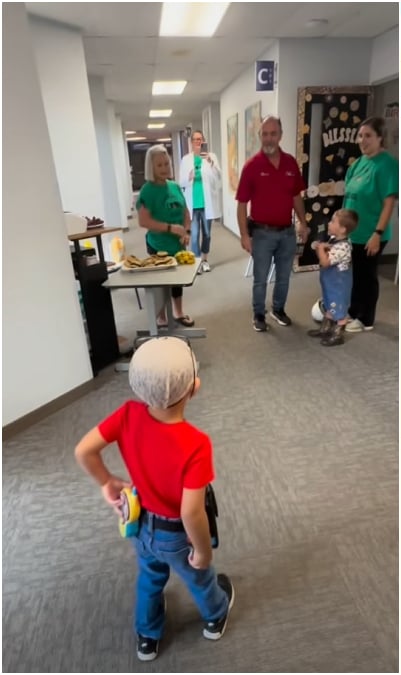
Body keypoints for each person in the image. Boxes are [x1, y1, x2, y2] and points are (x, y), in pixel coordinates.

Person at [73, 336, 234, 661]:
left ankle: (147, 637)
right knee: (200, 577)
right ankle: (215, 617)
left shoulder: (127, 414)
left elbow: (83, 450)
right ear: (194, 387)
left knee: (149, 579)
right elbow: (192, 512)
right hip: (176, 536)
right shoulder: (196, 444)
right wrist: (201, 551)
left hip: (140, 523)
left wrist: (107, 481)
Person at [235, 115, 309, 332]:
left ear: (280, 135)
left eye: (273, 134)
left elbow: (296, 196)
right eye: (264, 134)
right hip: (261, 233)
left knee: (284, 277)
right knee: (260, 279)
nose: (268, 139)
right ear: (260, 136)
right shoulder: (252, 166)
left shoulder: (290, 163)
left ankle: (279, 309)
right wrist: (244, 235)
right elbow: (241, 204)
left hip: (286, 232)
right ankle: (259, 314)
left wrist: (303, 222)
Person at [342, 116, 398, 333]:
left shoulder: (387, 165)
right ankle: (354, 310)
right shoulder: (358, 164)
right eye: (360, 135)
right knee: (356, 275)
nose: (362, 140)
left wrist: (377, 233)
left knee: (367, 276)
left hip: (372, 232)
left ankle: (366, 319)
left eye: (368, 136)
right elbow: (349, 197)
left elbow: (388, 204)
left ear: (380, 138)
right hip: (353, 232)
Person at [137, 144, 194, 329]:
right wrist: (171, 228)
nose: (164, 168)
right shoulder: (147, 190)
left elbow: (186, 213)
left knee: (177, 283)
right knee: (160, 284)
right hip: (158, 244)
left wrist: (185, 231)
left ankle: (178, 313)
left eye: (166, 164)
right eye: (159, 165)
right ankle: (161, 316)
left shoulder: (175, 186)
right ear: (151, 168)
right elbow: (144, 221)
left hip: (177, 244)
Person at [307, 208, 357, 346]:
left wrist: (321, 249)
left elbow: (325, 262)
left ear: (342, 229)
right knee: (329, 304)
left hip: (339, 285)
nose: (329, 223)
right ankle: (326, 328)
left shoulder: (343, 246)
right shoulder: (334, 240)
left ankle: (338, 333)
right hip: (330, 284)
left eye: (333, 221)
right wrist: (324, 248)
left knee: (339, 309)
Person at [177, 129, 221, 273]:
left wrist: (211, 163)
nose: (198, 141)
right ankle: (196, 263)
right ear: (191, 142)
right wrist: (189, 177)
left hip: (207, 203)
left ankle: (205, 260)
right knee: (194, 235)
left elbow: (218, 178)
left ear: (203, 141)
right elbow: (181, 183)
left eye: (200, 139)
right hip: (193, 205)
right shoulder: (186, 159)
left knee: (207, 234)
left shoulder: (211, 156)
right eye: (195, 139)